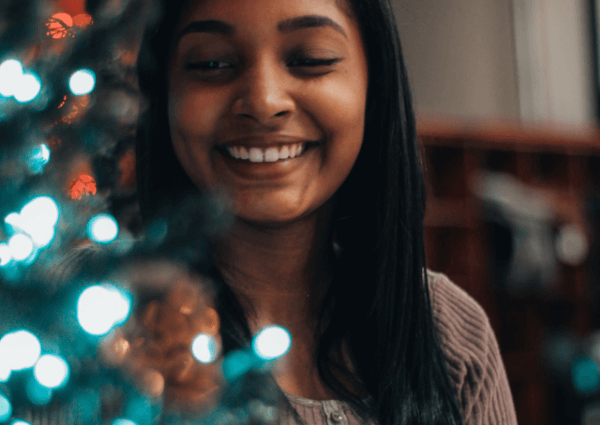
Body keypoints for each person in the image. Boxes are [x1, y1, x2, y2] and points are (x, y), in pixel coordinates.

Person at [134, 0, 520, 424]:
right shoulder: (92, 322)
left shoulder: (448, 333)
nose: (264, 101)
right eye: (212, 63)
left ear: (375, 85)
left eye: (309, 60)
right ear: (164, 91)